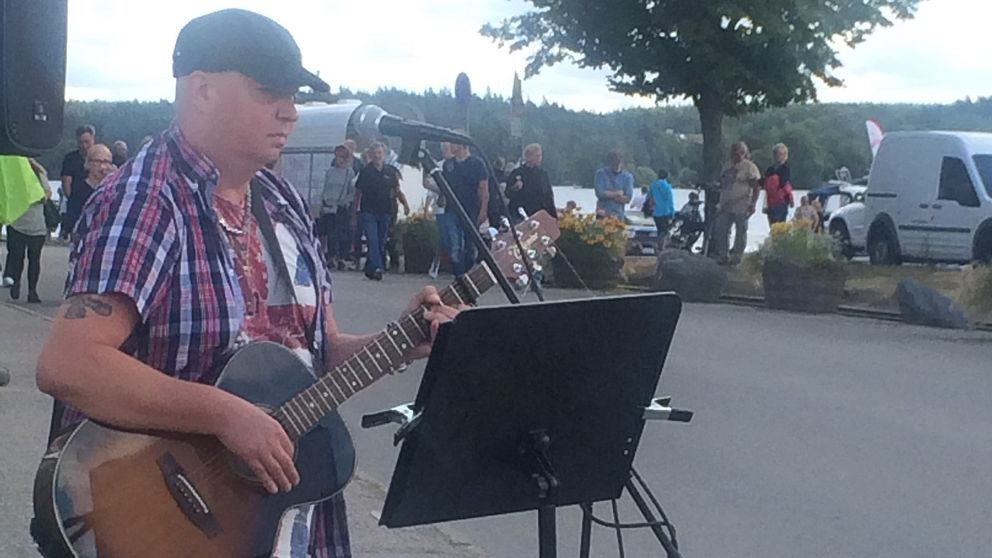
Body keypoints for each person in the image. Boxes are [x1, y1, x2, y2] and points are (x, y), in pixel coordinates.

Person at [33, 10, 459, 558]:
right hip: (162, 525)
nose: (289, 113)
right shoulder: (146, 202)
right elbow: (69, 364)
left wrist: (400, 341)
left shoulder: (282, 206)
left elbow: (313, 354)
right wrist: (224, 414)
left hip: (278, 522)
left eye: (293, 97)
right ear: (202, 88)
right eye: (268, 93)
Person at [353, 141, 403, 280]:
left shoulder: (390, 172)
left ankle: (370, 268)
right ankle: (377, 267)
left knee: (380, 242)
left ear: (384, 154)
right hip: (368, 211)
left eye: (380, 153)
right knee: (372, 240)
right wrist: (354, 213)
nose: (377, 156)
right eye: (375, 153)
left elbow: (396, 190)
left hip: (385, 211)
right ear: (371, 155)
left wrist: (404, 204)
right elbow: (358, 193)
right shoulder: (365, 172)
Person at [3, 159, 50, 302]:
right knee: (17, 257)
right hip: (17, 222)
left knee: (34, 259)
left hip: (36, 223)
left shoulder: (39, 172)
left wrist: (35, 195)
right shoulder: (12, 175)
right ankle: (16, 282)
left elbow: (47, 194)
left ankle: (32, 291)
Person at [444, 141, 489, 277]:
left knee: (470, 245)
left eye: (453, 143)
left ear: (461, 145)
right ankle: (458, 275)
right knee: (455, 243)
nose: (450, 146)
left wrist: (483, 210)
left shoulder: (477, 164)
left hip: (471, 209)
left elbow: (483, 189)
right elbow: (444, 186)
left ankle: (467, 271)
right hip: (452, 209)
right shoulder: (448, 164)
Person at [711, 142, 761, 264]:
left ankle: (737, 257)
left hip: (742, 205)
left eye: (740, 152)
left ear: (745, 153)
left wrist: (753, 204)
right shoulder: (727, 166)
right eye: (734, 152)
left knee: (741, 231)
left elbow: (756, 187)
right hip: (725, 205)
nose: (737, 155)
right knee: (721, 229)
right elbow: (722, 183)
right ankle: (723, 255)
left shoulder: (750, 167)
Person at [319, 145, 356, 270]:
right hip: (329, 206)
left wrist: (345, 202)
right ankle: (331, 257)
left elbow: (352, 191)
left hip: (341, 207)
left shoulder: (349, 172)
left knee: (342, 233)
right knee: (331, 233)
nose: (339, 160)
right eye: (337, 157)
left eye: (341, 157)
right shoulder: (330, 171)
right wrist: (323, 201)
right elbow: (325, 187)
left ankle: (341, 258)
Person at [68, 144, 116, 242]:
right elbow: (72, 218)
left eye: (107, 162)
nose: (103, 166)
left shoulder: (115, 189)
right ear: (88, 163)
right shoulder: (78, 189)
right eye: (98, 161)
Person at [59, 125, 96, 238]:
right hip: (76, 204)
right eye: (81, 142)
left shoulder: (100, 158)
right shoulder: (70, 159)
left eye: (87, 142)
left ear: (93, 140)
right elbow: (66, 182)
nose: (84, 146)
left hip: (96, 201)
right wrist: (73, 199)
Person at [506, 143, 557, 222]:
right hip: (520, 217)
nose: (539, 158)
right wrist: (514, 188)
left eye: (540, 156)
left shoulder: (543, 174)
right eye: (537, 156)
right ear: (528, 156)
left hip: (540, 215)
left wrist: (554, 217)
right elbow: (507, 193)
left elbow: (549, 196)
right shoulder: (517, 173)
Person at [593, 149, 634, 219]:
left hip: (619, 215)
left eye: (619, 161)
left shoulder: (628, 177)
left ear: (622, 162)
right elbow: (599, 193)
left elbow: (628, 198)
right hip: (602, 214)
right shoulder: (600, 173)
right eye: (615, 161)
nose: (617, 164)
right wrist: (618, 193)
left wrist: (608, 194)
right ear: (610, 161)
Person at [761, 143, 794, 225]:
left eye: (781, 154)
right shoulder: (770, 169)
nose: (778, 156)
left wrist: (772, 178)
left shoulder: (785, 168)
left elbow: (783, 182)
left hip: (781, 201)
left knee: (780, 224)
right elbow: (763, 182)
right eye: (776, 154)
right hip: (770, 201)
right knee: (772, 224)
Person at [648, 169, 676, 249]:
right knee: (664, 231)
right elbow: (670, 200)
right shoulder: (667, 186)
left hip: (655, 212)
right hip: (665, 212)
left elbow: (649, 197)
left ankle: (658, 245)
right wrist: (672, 212)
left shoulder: (652, 185)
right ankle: (661, 247)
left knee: (660, 230)